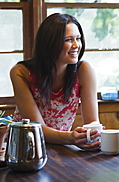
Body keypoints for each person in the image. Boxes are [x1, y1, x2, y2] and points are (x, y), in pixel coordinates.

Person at [10, 13, 100, 150]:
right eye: (69, 40)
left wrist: (91, 135)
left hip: (61, 148)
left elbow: (92, 122)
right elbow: (36, 129)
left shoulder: (84, 70)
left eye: (78, 38)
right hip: (24, 148)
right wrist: (71, 137)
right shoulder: (21, 72)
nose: (76, 45)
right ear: (50, 43)